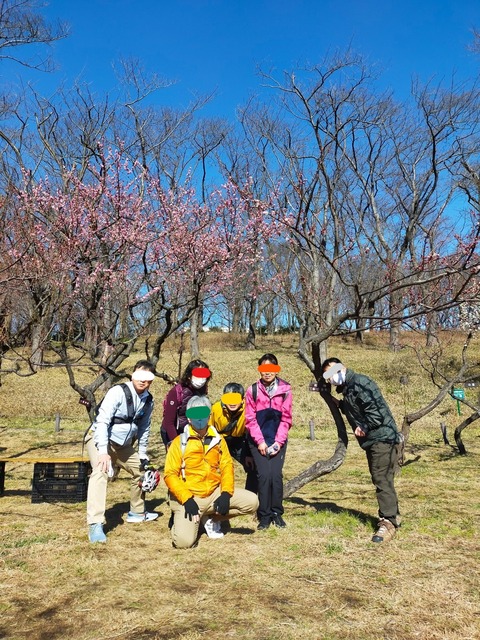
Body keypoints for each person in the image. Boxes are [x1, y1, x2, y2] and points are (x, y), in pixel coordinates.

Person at [322, 358, 402, 543]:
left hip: (381, 437)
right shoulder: (349, 388)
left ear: (343, 368)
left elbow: (376, 412)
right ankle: (393, 515)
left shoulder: (360, 382)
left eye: (334, 371)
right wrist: (337, 403)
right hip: (374, 439)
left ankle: (388, 522)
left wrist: (364, 426)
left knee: (381, 478)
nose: (332, 378)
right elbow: (355, 407)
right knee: (381, 478)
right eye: (328, 376)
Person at [163, 395, 259, 549]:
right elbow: (169, 474)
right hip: (189, 496)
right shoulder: (178, 442)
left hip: (213, 492)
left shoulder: (218, 439)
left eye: (203, 415)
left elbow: (227, 465)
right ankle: (181, 518)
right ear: (188, 418)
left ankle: (210, 518)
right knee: (183, 543)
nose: (199, 419)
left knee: (252, 502)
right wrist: (187, 500)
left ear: (209, 416)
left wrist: (226, 494)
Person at [85, 360, 158, 543]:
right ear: (133, 375)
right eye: (140, 376)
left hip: (123, 445)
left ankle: (137, 512)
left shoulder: (148, 400)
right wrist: (103, 452)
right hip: (100, 440)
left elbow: (144, 428)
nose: (143, 382)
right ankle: (95, 524)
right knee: (100, 472)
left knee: (142, 471)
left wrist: (142, 454)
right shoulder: (117, 392)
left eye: (147, 378)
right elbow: (102, 422)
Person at [245, 353, 292, 530]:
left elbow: (287, 418)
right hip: (258, 441)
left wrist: (279, 442)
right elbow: (250, 419)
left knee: (276, 476)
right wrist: (260, 442)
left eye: (271, 369)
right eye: (264, 369)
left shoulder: (286, 389)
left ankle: (276, 513)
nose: (267, 373)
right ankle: (263, 515)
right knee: (264, 476)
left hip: (278, 439)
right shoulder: (252, 390)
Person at [209, 382, 257, 493]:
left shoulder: (248, 409)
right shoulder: (216, 409)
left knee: (254, 467)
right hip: (218, 441)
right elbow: (209, 431)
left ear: (242, 399)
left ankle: (250, 496)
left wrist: (249, 455)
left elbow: (250, 433)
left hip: (239, 441)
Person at [160, 359, 211, 449]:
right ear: (189, 376)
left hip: (192, 431)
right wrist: (177, 444)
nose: (201, 379)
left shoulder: (203, 390)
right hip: (173, 431)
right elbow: (169, 422)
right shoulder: (176, 392)